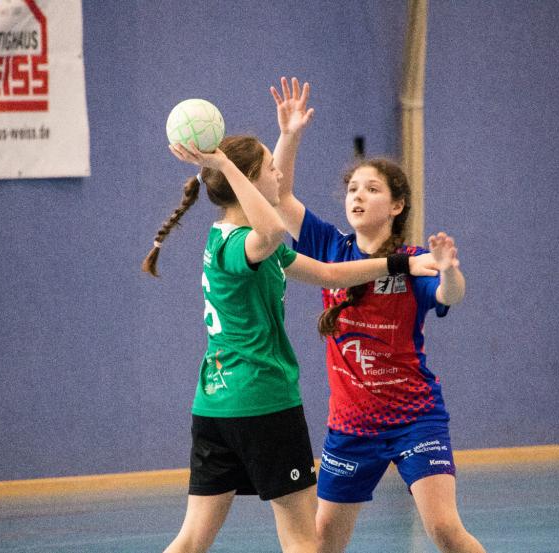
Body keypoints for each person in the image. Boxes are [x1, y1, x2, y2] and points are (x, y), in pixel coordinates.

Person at [143, 133, 442, 553]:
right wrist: (224, 164)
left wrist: (401, 264)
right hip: (264, 401)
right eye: (269, 168)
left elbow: (331, 274)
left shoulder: (226, 238)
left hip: (213, 405)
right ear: (248, 180)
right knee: (302, 541)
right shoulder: (243, 244)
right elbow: (272, 229)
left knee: (191, 539)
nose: (278, 175)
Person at [270, 77, 486, 553]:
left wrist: (449, 270)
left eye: (371, 189)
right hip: (351, 427)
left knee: (445, 530)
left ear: (397, 205)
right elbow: (279, 199)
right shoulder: (330, 246)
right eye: (352, 189)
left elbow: (450, 295)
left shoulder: (414, 261)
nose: (358, 196)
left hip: (415, 417)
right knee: (322, 543)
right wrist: (289, 136)